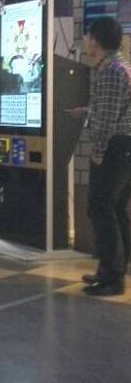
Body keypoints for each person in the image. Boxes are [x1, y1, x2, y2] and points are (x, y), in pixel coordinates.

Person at [69, 17, 131, 297]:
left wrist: (98, 152)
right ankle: (112, 269)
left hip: (114, 148)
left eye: (88, 36)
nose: (86, 41)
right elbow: (115, 109)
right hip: (124, 146)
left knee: (100, 209)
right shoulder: (122, 67)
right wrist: (88, 111)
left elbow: (107, 120)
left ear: (96, 40)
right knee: (115, 209)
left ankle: (112, 278)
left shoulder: (110, 71)